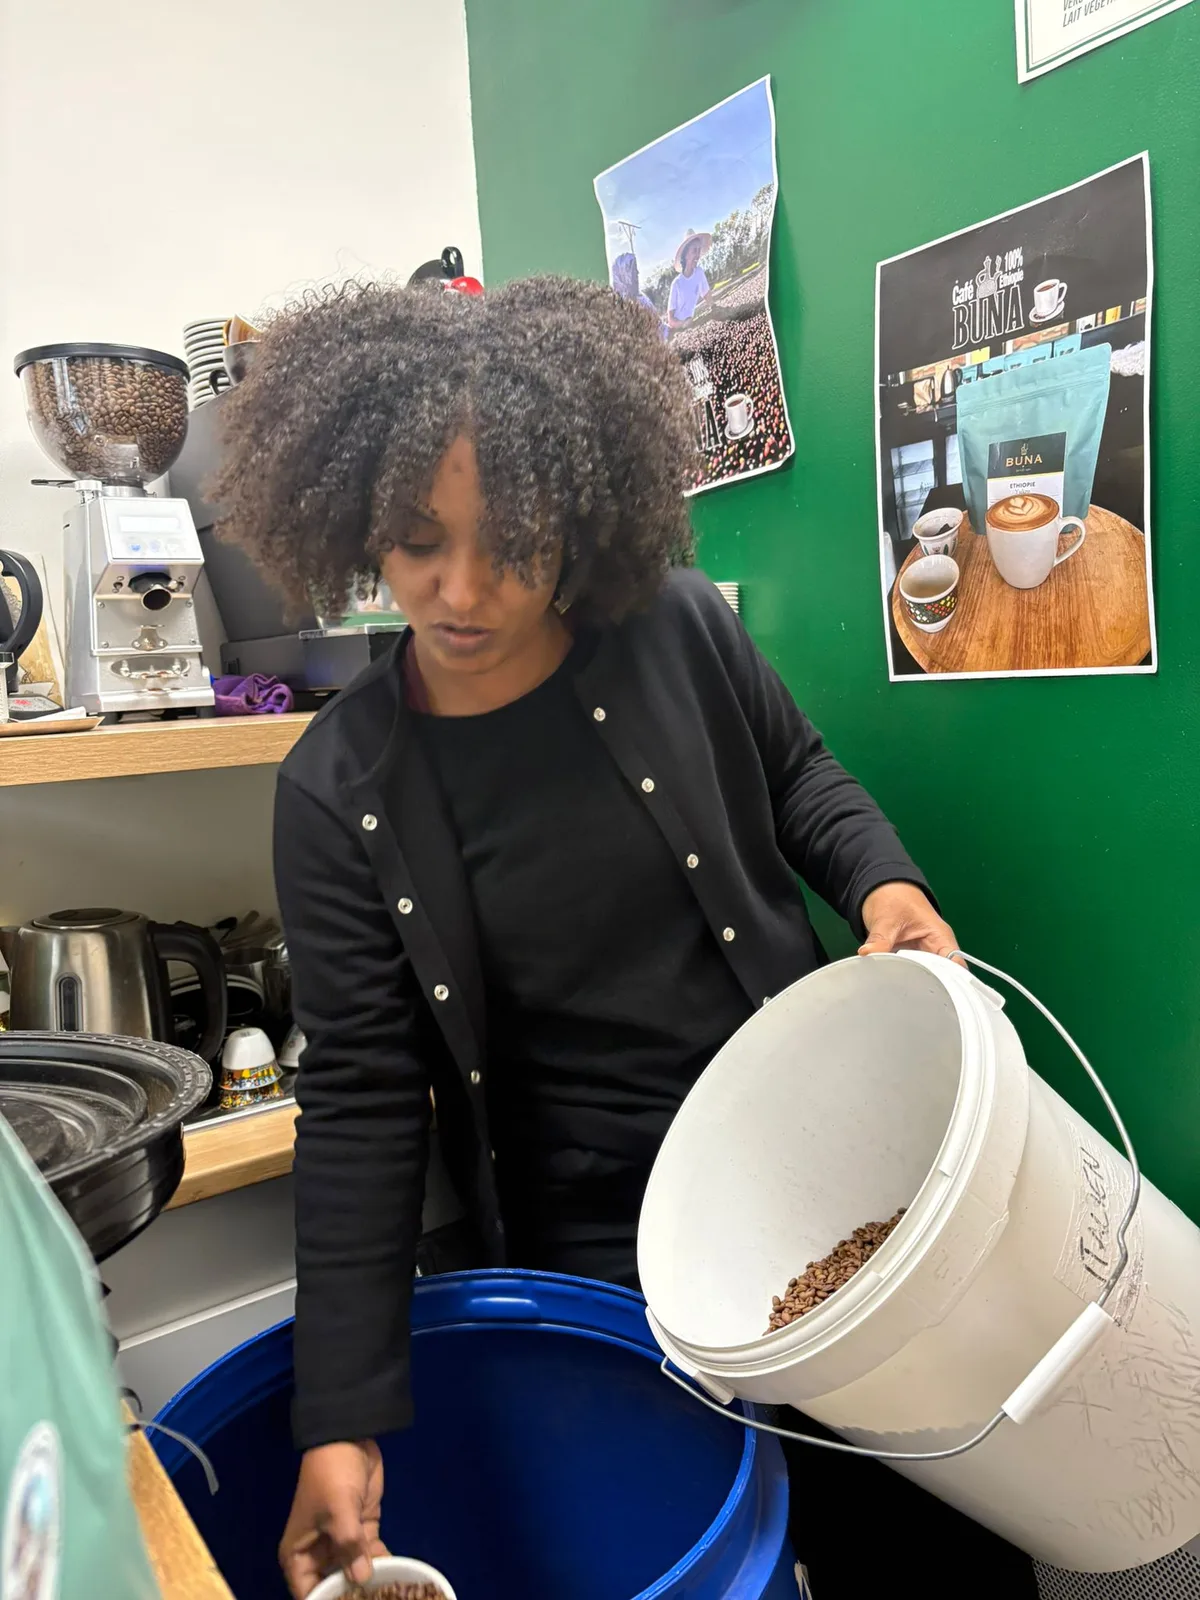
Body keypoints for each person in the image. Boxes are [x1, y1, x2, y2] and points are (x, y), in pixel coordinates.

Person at [211, 276, 960, 1599]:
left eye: (510, 537)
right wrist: (338, 1410)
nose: (459, 589)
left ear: (577, 497)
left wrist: (885, 888)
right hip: (607, 1260)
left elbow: (799, 778)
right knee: (722, 1549)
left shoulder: (675, 627)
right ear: (352, 526)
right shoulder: (337, 790)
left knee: (923, 1517)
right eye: (413, 541)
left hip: (821, 1158)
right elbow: (365, 1104)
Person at [610, 250, 666, 339]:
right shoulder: (618, 310)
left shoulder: (642, 299)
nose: (637, 273)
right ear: (624, 275)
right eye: (633, 270)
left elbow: (660, 326)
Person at [666, 227, 713, 329]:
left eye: (699, 250)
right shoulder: (676, 283)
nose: (697, 255)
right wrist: (682, 324)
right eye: (694, 251)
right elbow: (670, 320)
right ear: (686, 255)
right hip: (678, 329)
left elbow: (707, 295)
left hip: (691, 324)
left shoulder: (699, 273)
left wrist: (715, 309)